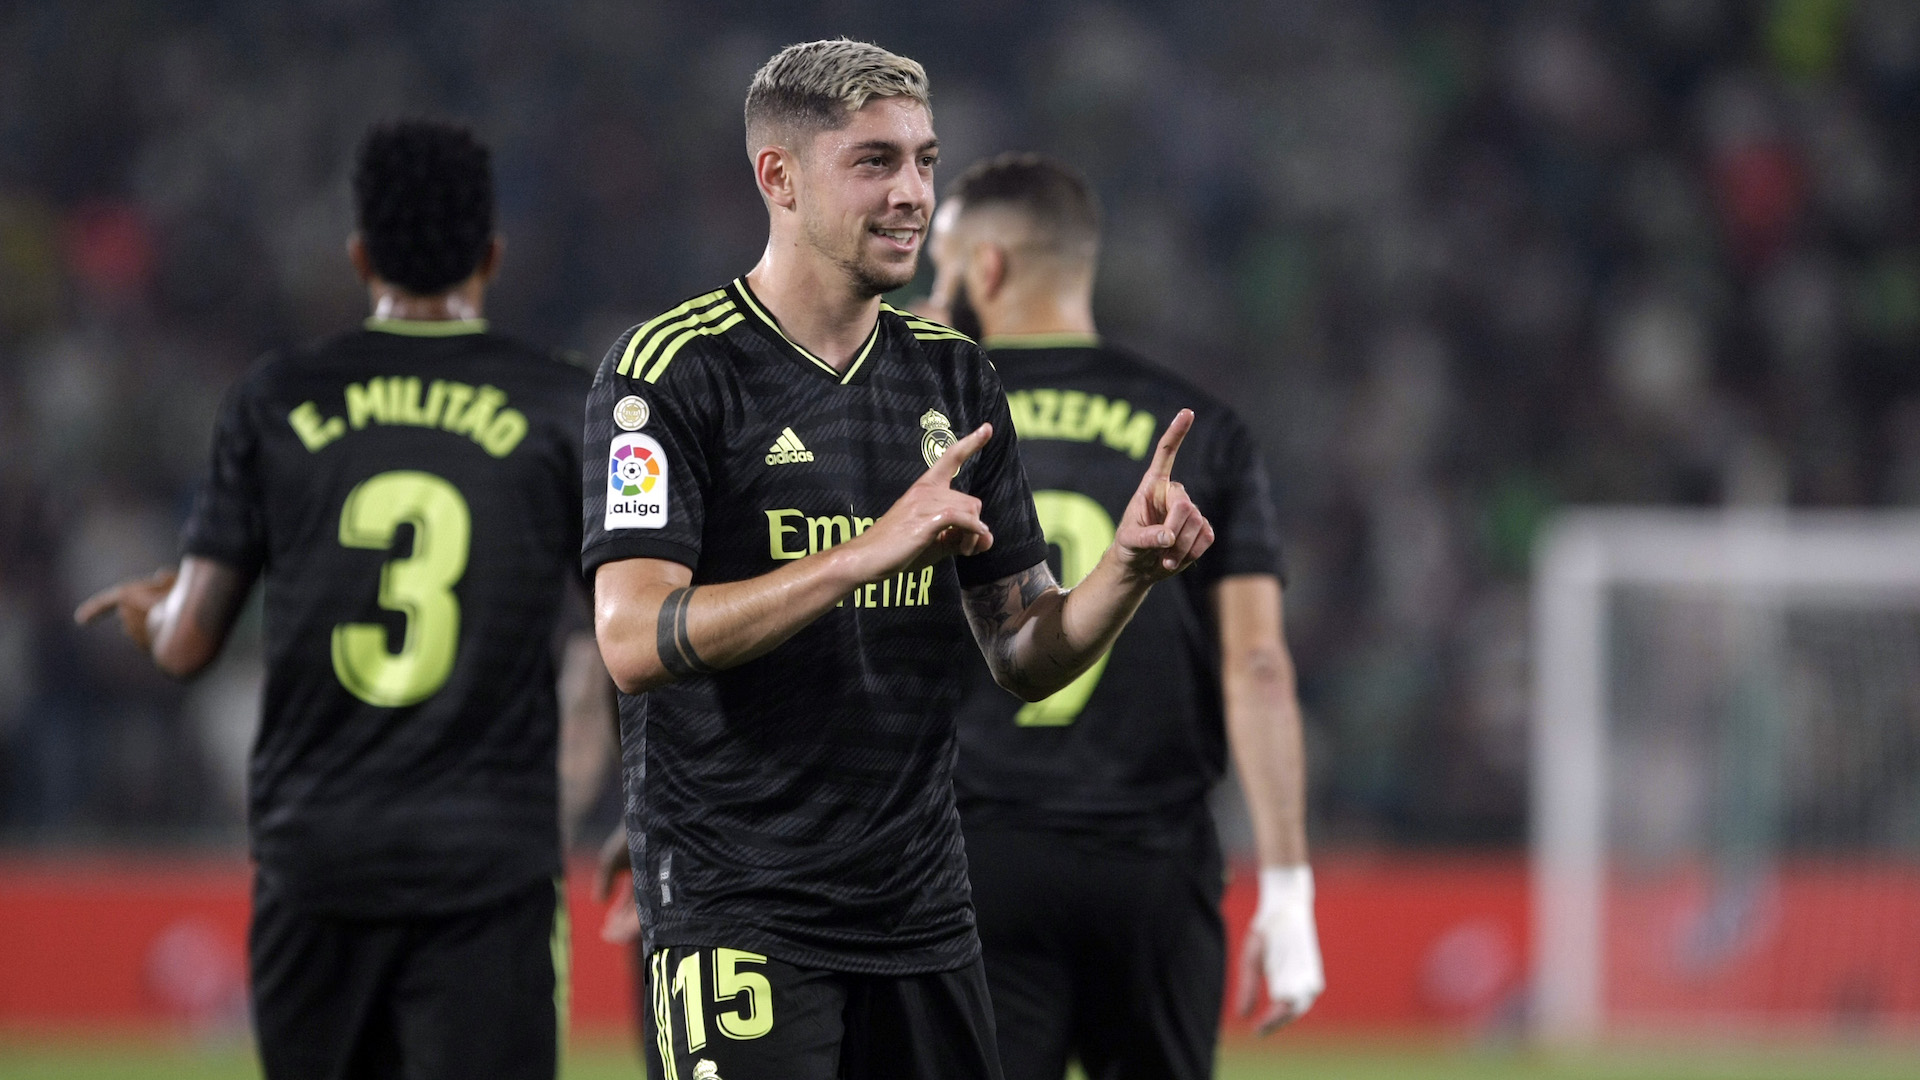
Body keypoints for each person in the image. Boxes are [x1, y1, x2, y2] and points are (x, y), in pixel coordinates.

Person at [583, 39, 1215, 1080]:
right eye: (874, 162)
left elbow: (1021, 650)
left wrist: (1125, 575)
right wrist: (863, 554)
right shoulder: (672, 371)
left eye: (924, 161)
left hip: (923, 918)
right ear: (779, 177)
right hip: (739, 911)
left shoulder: (955, 378)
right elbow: (632, 638)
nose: (913, 193)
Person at [75, 120, 603, 1080]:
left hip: (318, 857)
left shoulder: (276, 398)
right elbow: (624, 624)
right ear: (492, 255)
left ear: (359, 256)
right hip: (488, 856)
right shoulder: (564, 407)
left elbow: (190, 642)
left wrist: (155, 616)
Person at [922, 152, 1325, 1080]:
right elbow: (1258, 664)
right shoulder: (1203, 431)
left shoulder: (931, 427)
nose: (931, 298)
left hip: (974, 859)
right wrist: (1288, 885)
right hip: (1153, 864)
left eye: (943, 271)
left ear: (987, 268)